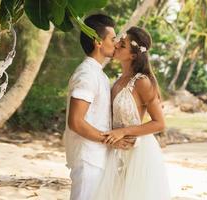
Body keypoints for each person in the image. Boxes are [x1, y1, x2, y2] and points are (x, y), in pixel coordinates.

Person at [93, 26, 171, 200]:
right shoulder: (117, 81)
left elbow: (159, 123)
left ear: (133, 55)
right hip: (115, 151)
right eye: (119, 40)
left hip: (139, 153)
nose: (116, 44)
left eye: (122, 44)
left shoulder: (142, 82)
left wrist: (123, 132)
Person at [63, 14, 135, 200]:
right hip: (88, 157)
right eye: (112, 39)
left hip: (96, 156)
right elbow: (76, 122)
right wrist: (112, 140)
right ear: (98, 42)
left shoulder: (99, 74)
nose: (116, 43)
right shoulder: (87, 74)